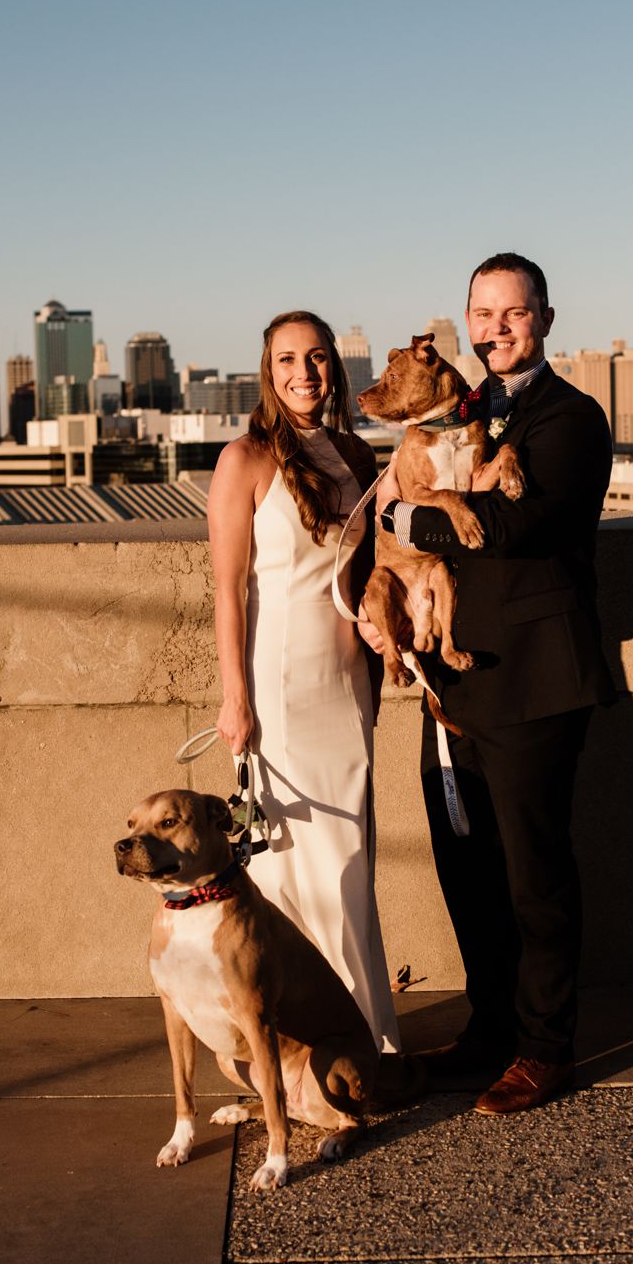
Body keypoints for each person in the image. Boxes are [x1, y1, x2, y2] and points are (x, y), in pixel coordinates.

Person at [369, 253, 618, 1114]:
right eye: (483, 312)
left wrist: (397, 514)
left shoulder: (571, 419)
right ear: (466, 322)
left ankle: (546, 1048)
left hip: (537, 684)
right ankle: (488, 1031)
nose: (497, 327)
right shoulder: (461, 413)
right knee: (466, 867)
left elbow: (509, 526)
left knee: (534, 873)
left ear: (544, 318)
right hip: (455, 681)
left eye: (514, 312)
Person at [206, 310, 400, 1054]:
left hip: (345, 679)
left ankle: (369, 1041)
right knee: (295, 874)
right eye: (287, 359)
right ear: (268, 369)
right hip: (277, 687)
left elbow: (363, 573)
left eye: (316, 358)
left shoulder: (355, 451)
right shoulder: (244, 458)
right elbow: (228, 591)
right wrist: (235, 698)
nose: (304, 373)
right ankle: (304, 1058)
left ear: (335, 368)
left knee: (351, 862)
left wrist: (382, 633)